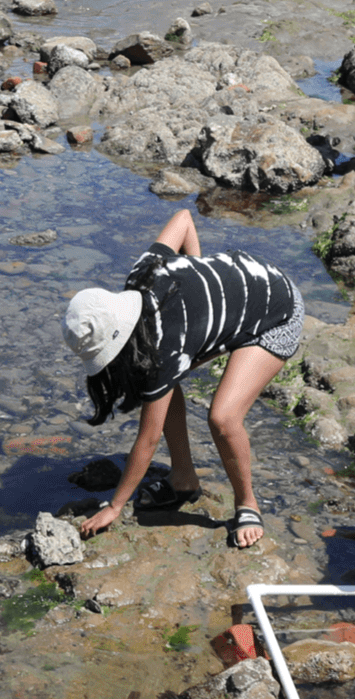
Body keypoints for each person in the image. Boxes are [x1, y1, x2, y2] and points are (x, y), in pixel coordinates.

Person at [66, 209, 303, 551]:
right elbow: (183, 219)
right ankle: (183, 478)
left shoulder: (164, 345)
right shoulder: (141, 275)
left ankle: (247, 503)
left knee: (223, 417)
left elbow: (146, 441)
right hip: (248, 278)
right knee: (159, 383)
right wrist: (202, 284)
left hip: (277, 312)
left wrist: (116, 505)